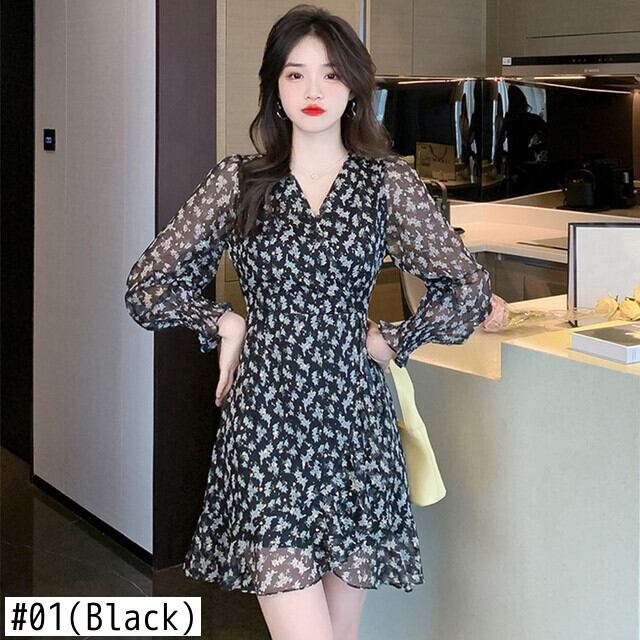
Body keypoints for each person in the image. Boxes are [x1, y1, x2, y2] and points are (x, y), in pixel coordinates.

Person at [124, 4, 493, 639]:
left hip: (356, 424)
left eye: (330, 74)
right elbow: (148, 287)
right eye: (296, 74)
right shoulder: (239, 181)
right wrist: (224, 322)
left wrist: (395, 340)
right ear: (275, 87)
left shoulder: (386, 183)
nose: (313, 89)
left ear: (353, 86)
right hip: (267, 424)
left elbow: (468, 287)